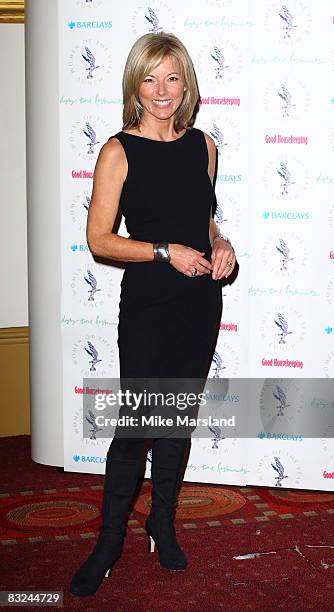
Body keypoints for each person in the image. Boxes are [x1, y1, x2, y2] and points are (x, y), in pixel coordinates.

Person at [69, 31, 236, 597]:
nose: (162, 91)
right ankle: (108, 540)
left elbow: (204, 220)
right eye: (150, 78)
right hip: (147, 303)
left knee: (176, 421)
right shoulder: (118, 150)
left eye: (172, 77)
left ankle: (161, 524)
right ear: (134, 86)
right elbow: (98, 240)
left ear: (186, 81)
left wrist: (221, 245)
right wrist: (165, 251)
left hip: (198, 302)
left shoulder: (203, 146)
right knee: (137, 424)